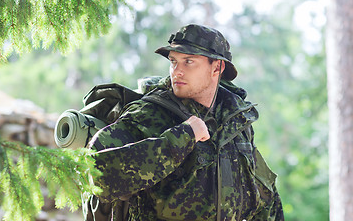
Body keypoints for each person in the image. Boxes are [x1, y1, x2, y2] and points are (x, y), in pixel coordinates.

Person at [88, 24, 284, 220]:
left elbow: (265, 196)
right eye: (173, 61)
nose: (177, 71)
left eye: (188, 62)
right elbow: (95, 174)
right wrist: (182, 137)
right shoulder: (149, 114)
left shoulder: (235, 121)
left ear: (217, 67)